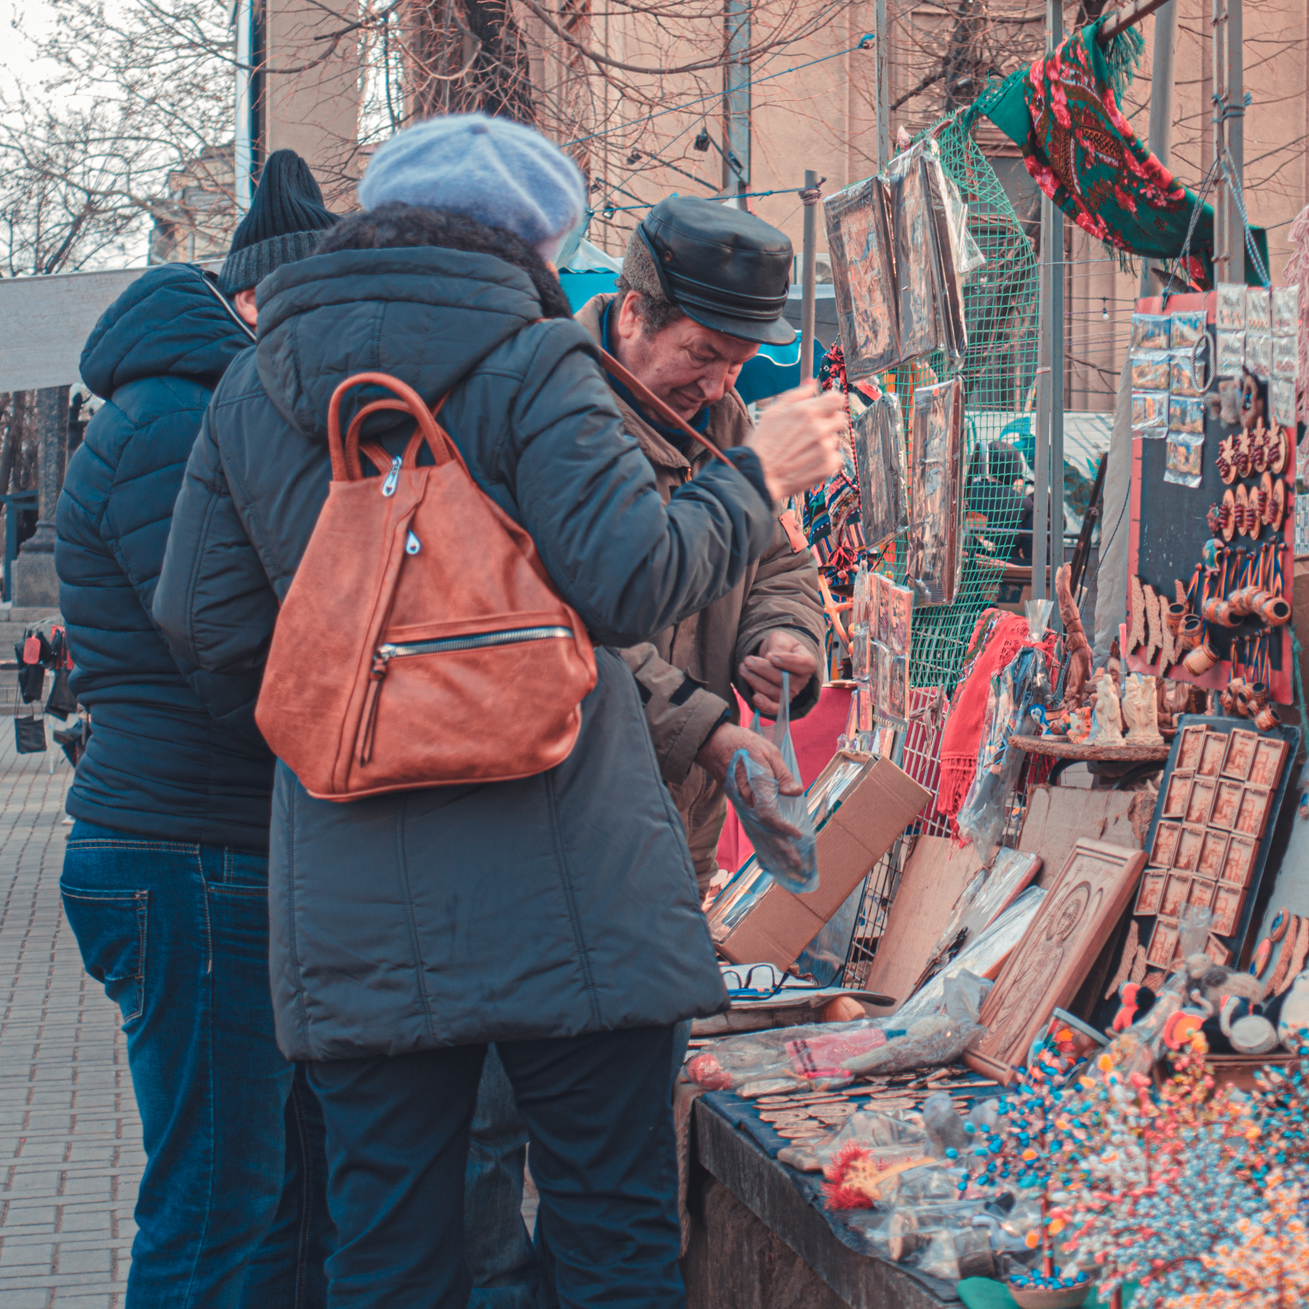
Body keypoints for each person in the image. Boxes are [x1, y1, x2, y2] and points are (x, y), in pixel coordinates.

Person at [152, 113, 846, 1308]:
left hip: (355, 890)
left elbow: (203, 625)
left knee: (387, 1255)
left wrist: (364, 691)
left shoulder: (254, 384)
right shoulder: (537, 367)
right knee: (613, 1240)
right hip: (573, 876)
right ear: (538, 244)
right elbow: (631, 577)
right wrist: (755, 478)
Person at [55, 148, 338, 1306]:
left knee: (258, 1197)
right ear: (262, 304)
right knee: (216, 1205)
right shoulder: (180, 416)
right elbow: (223, 645)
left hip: (202, 846)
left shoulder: (193, 403)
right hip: (187, 851)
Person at [580, 195, 828, 876]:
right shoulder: (561, 420)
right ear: (633, 313)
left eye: (738, 364)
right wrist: (705, 730)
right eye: (702, 354)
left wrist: (784, 637)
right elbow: (578, 630)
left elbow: (776, 561)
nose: (719, 386)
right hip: (576, 831)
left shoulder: (724, 420)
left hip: (680, 831)